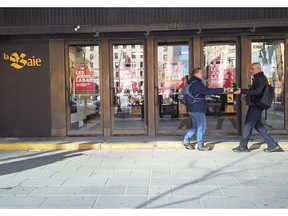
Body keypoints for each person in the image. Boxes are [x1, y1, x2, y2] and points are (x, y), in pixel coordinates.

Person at [232, 62, 282, 153]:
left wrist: (242, 91)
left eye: (252, 69)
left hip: (256, 105)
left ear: (258, 69)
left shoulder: (261, 79)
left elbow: (257, 91)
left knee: (248, 124)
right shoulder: (258, 78)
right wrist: (247, 97)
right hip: (256, 104)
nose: (250, 70)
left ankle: (243, 146)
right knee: (258, 125)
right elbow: (257, 92)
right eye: (250, 69)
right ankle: (272, 145)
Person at [182, 67, 226, 151]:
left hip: (192, 107)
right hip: (197, 108)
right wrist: (222, 89)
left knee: (195, 126)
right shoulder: (196, 83)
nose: (203, 74)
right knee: (202, 127)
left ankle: (186, 140)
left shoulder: (191, 82)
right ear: (196, 74)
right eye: (201, 73)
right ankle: (200, 145)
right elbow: (207, 91)